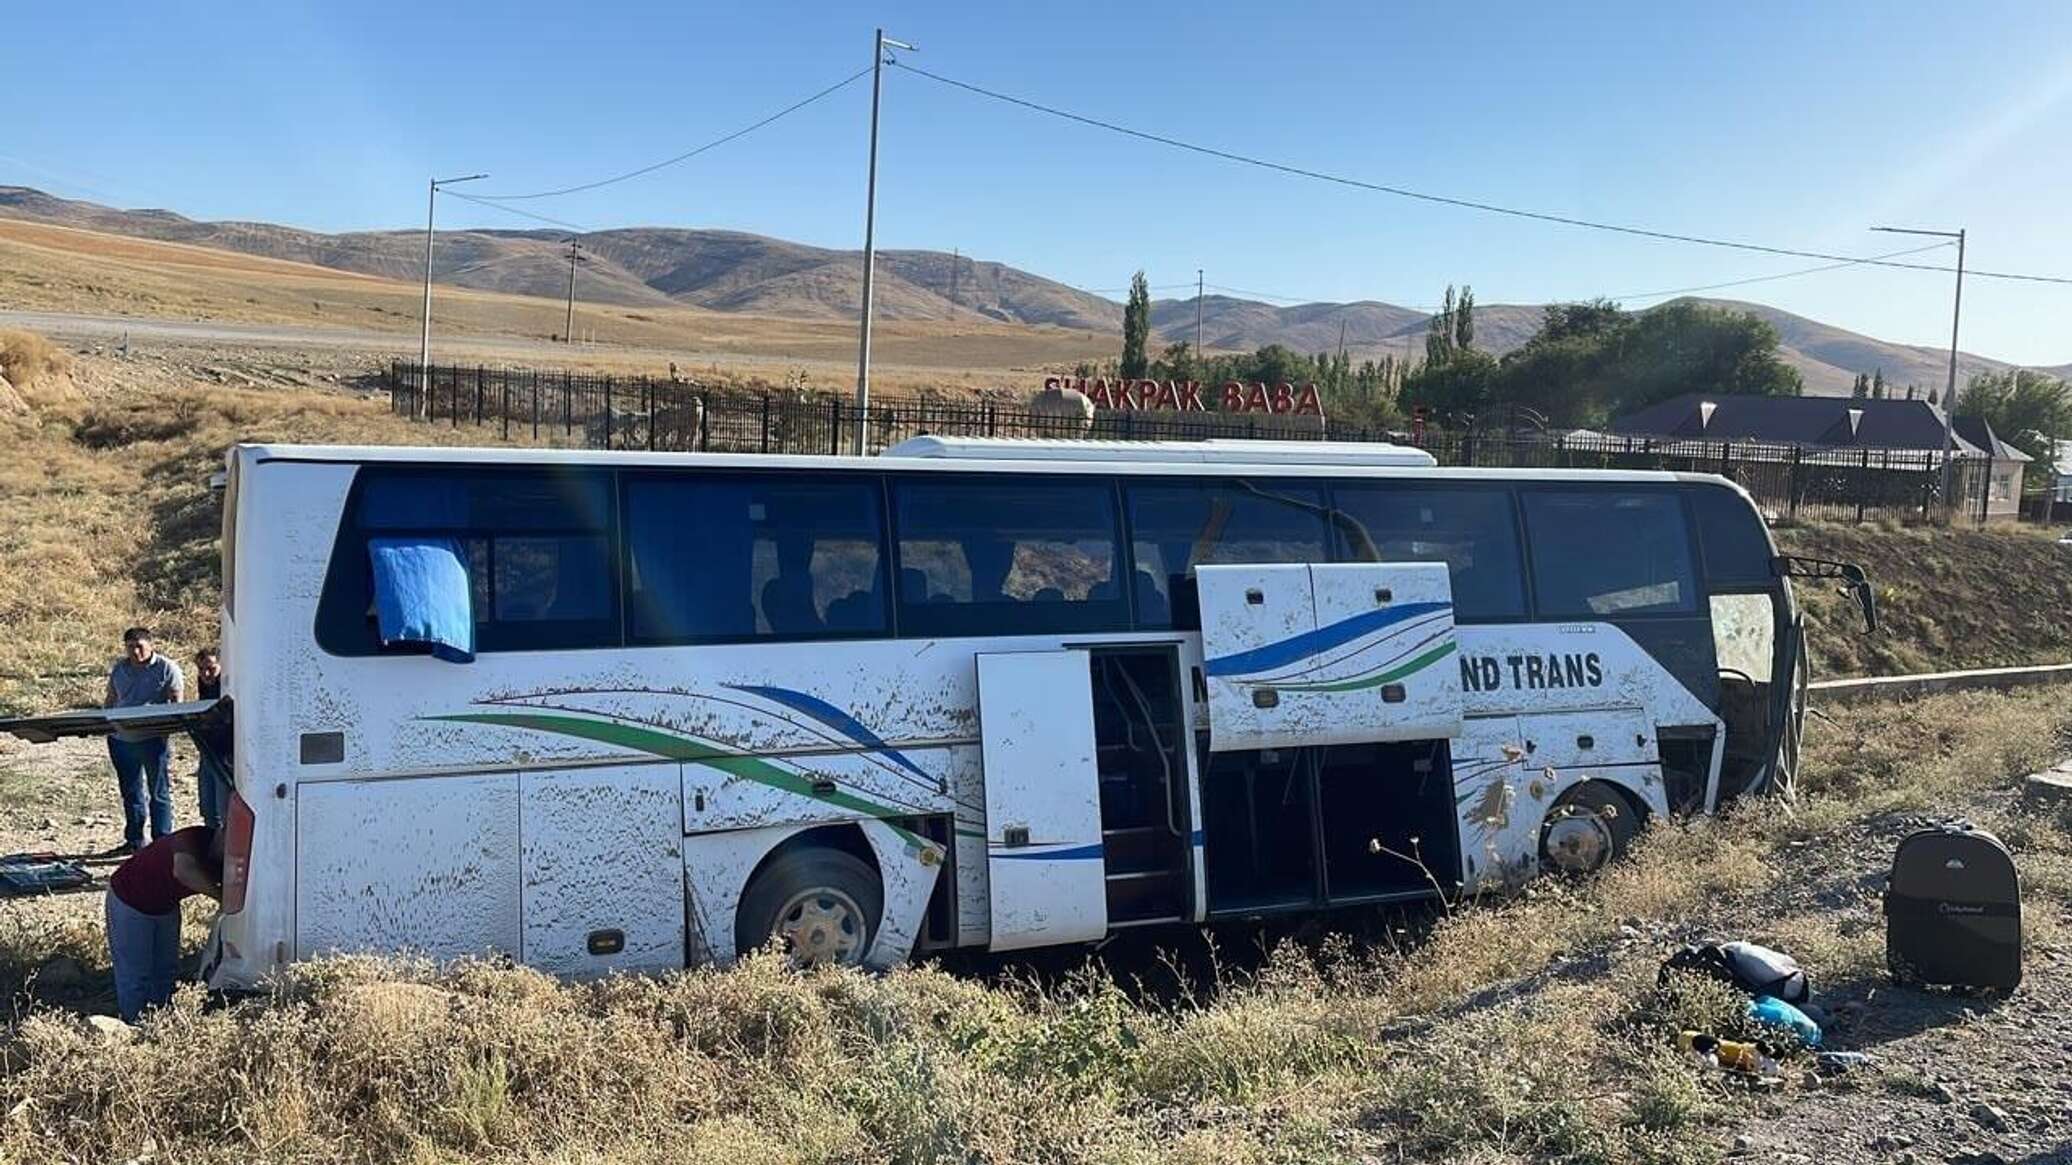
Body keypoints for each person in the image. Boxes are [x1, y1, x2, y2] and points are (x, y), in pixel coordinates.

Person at [104, 826, 220, 1022]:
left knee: (165, 971)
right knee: (135, 976)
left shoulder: (226, 862)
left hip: (165, 904)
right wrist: (223, 897)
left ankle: (161, 1023)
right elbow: (183, 871)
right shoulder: (192, 838)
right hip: (129, 899)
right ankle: (135, 1025)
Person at [103, 627, 183, 855]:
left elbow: (177, 703)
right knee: (130, 791)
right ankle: (135, 840)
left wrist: (166, 732)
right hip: (121, 739)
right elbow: (111, 699)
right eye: (130, 647)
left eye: (139, 646)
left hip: (152, 739)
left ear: (150, 645)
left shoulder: (166, 668)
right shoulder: (120, 669)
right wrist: (106, 724)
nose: (135, 651)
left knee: (158, 792)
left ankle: (162, 843)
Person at [192, 648, 232, 830]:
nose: (206, 674)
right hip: (207, 752)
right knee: (208, 807)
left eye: (211, 668)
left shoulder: (228, 687)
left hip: (225, 755)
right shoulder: (204, 685)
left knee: (223, 808)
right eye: (201, 669)